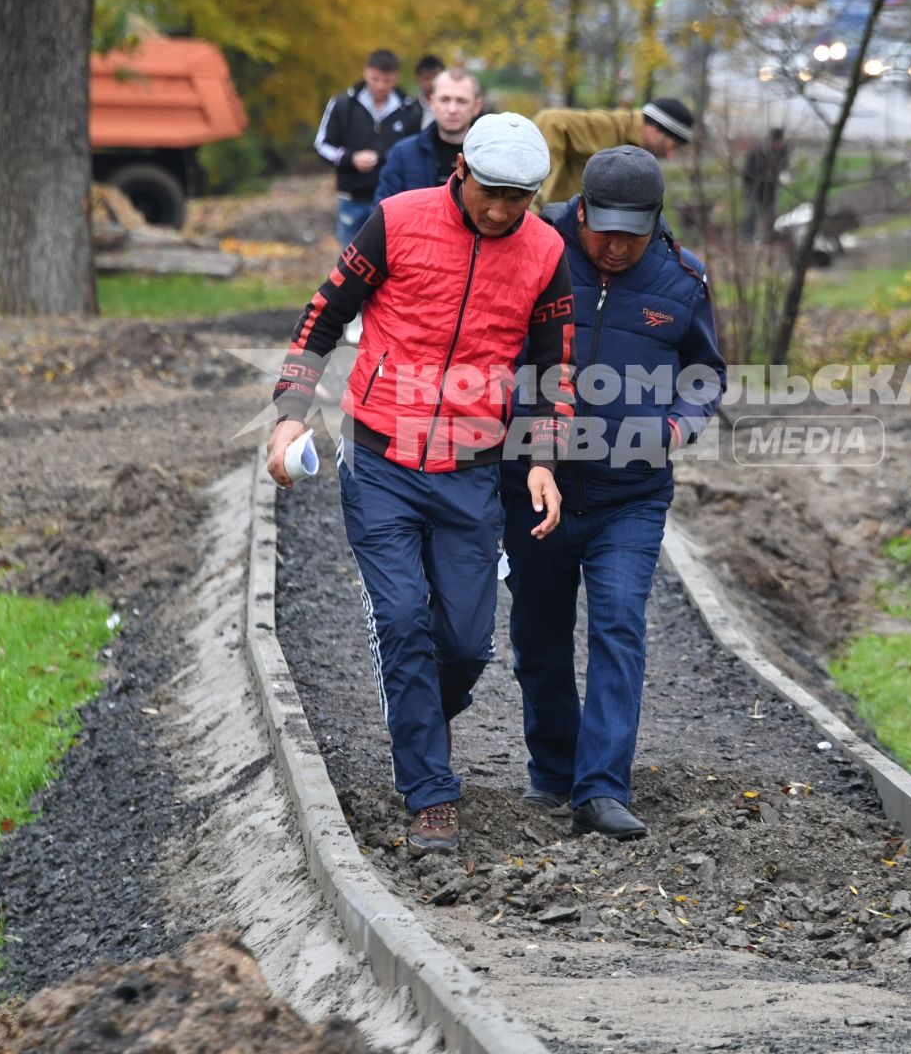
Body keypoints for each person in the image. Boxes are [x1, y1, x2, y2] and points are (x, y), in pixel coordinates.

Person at [268, 112, 577, 855]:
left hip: (471, 472)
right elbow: (323, 315)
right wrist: (288, 414)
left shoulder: (545, 252)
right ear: (462, 172)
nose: (502, 211)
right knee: (403, 619)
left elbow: (551, 367)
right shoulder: (396, 221)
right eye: (491, 194)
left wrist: (542, 458)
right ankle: (430, 794)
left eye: (520, 199)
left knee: (467, 645)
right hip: (379, 458)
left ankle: (418, 722)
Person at [501, 146, 726, 840]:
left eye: (634, 232)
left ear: (656, 221)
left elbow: (706, 374)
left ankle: (601, 790)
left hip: (630, 495)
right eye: (605, 230)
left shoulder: (683, 278)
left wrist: (678, 427)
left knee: (619, 627)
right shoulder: (533, 251)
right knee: (538, 635)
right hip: (536, 483)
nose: (617, 245)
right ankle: (555, 771)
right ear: (583, 212)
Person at [314, 49, 423, 252]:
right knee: (348, 260)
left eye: (387, 80)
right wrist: (351, 158)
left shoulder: (410, 111)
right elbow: (322, 145)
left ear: (397, 77)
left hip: (392, 199)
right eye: (375, 79)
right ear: (365, 72)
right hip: (351, 197)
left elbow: (415, 153)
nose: (381, 86)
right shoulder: (342, 104)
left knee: (388, 258)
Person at [532, 97, 694, 207]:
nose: (669, 156)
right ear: (658, 132)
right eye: (672, 146)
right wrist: (534, 197)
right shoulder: (611, 127)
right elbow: (551, 121)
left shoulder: (633, 152)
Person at [374, 68, 482, 201]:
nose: (452, 109)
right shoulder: (402, 154)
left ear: (477, 106)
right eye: (444, 100)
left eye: (461, 101)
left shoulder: (489, 156)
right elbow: (383, 211)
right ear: (432, 102)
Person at [741, 128, 789, 240]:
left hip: (770, 187)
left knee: (771, 212)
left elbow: (784, 166)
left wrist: (782, 175)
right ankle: (748, 237)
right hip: (753, 186)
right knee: (751, 212)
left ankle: (769, 236)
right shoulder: (759, 151)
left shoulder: (783, 151)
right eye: (777, 142)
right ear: (772, 141)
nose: (779, 145)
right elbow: (750, 170)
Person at [413, 54, 445, 129]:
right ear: (418, 79)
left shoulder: (453, 108)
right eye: (426, 78)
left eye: (435, 77)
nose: (431, 83)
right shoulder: (409, 110)